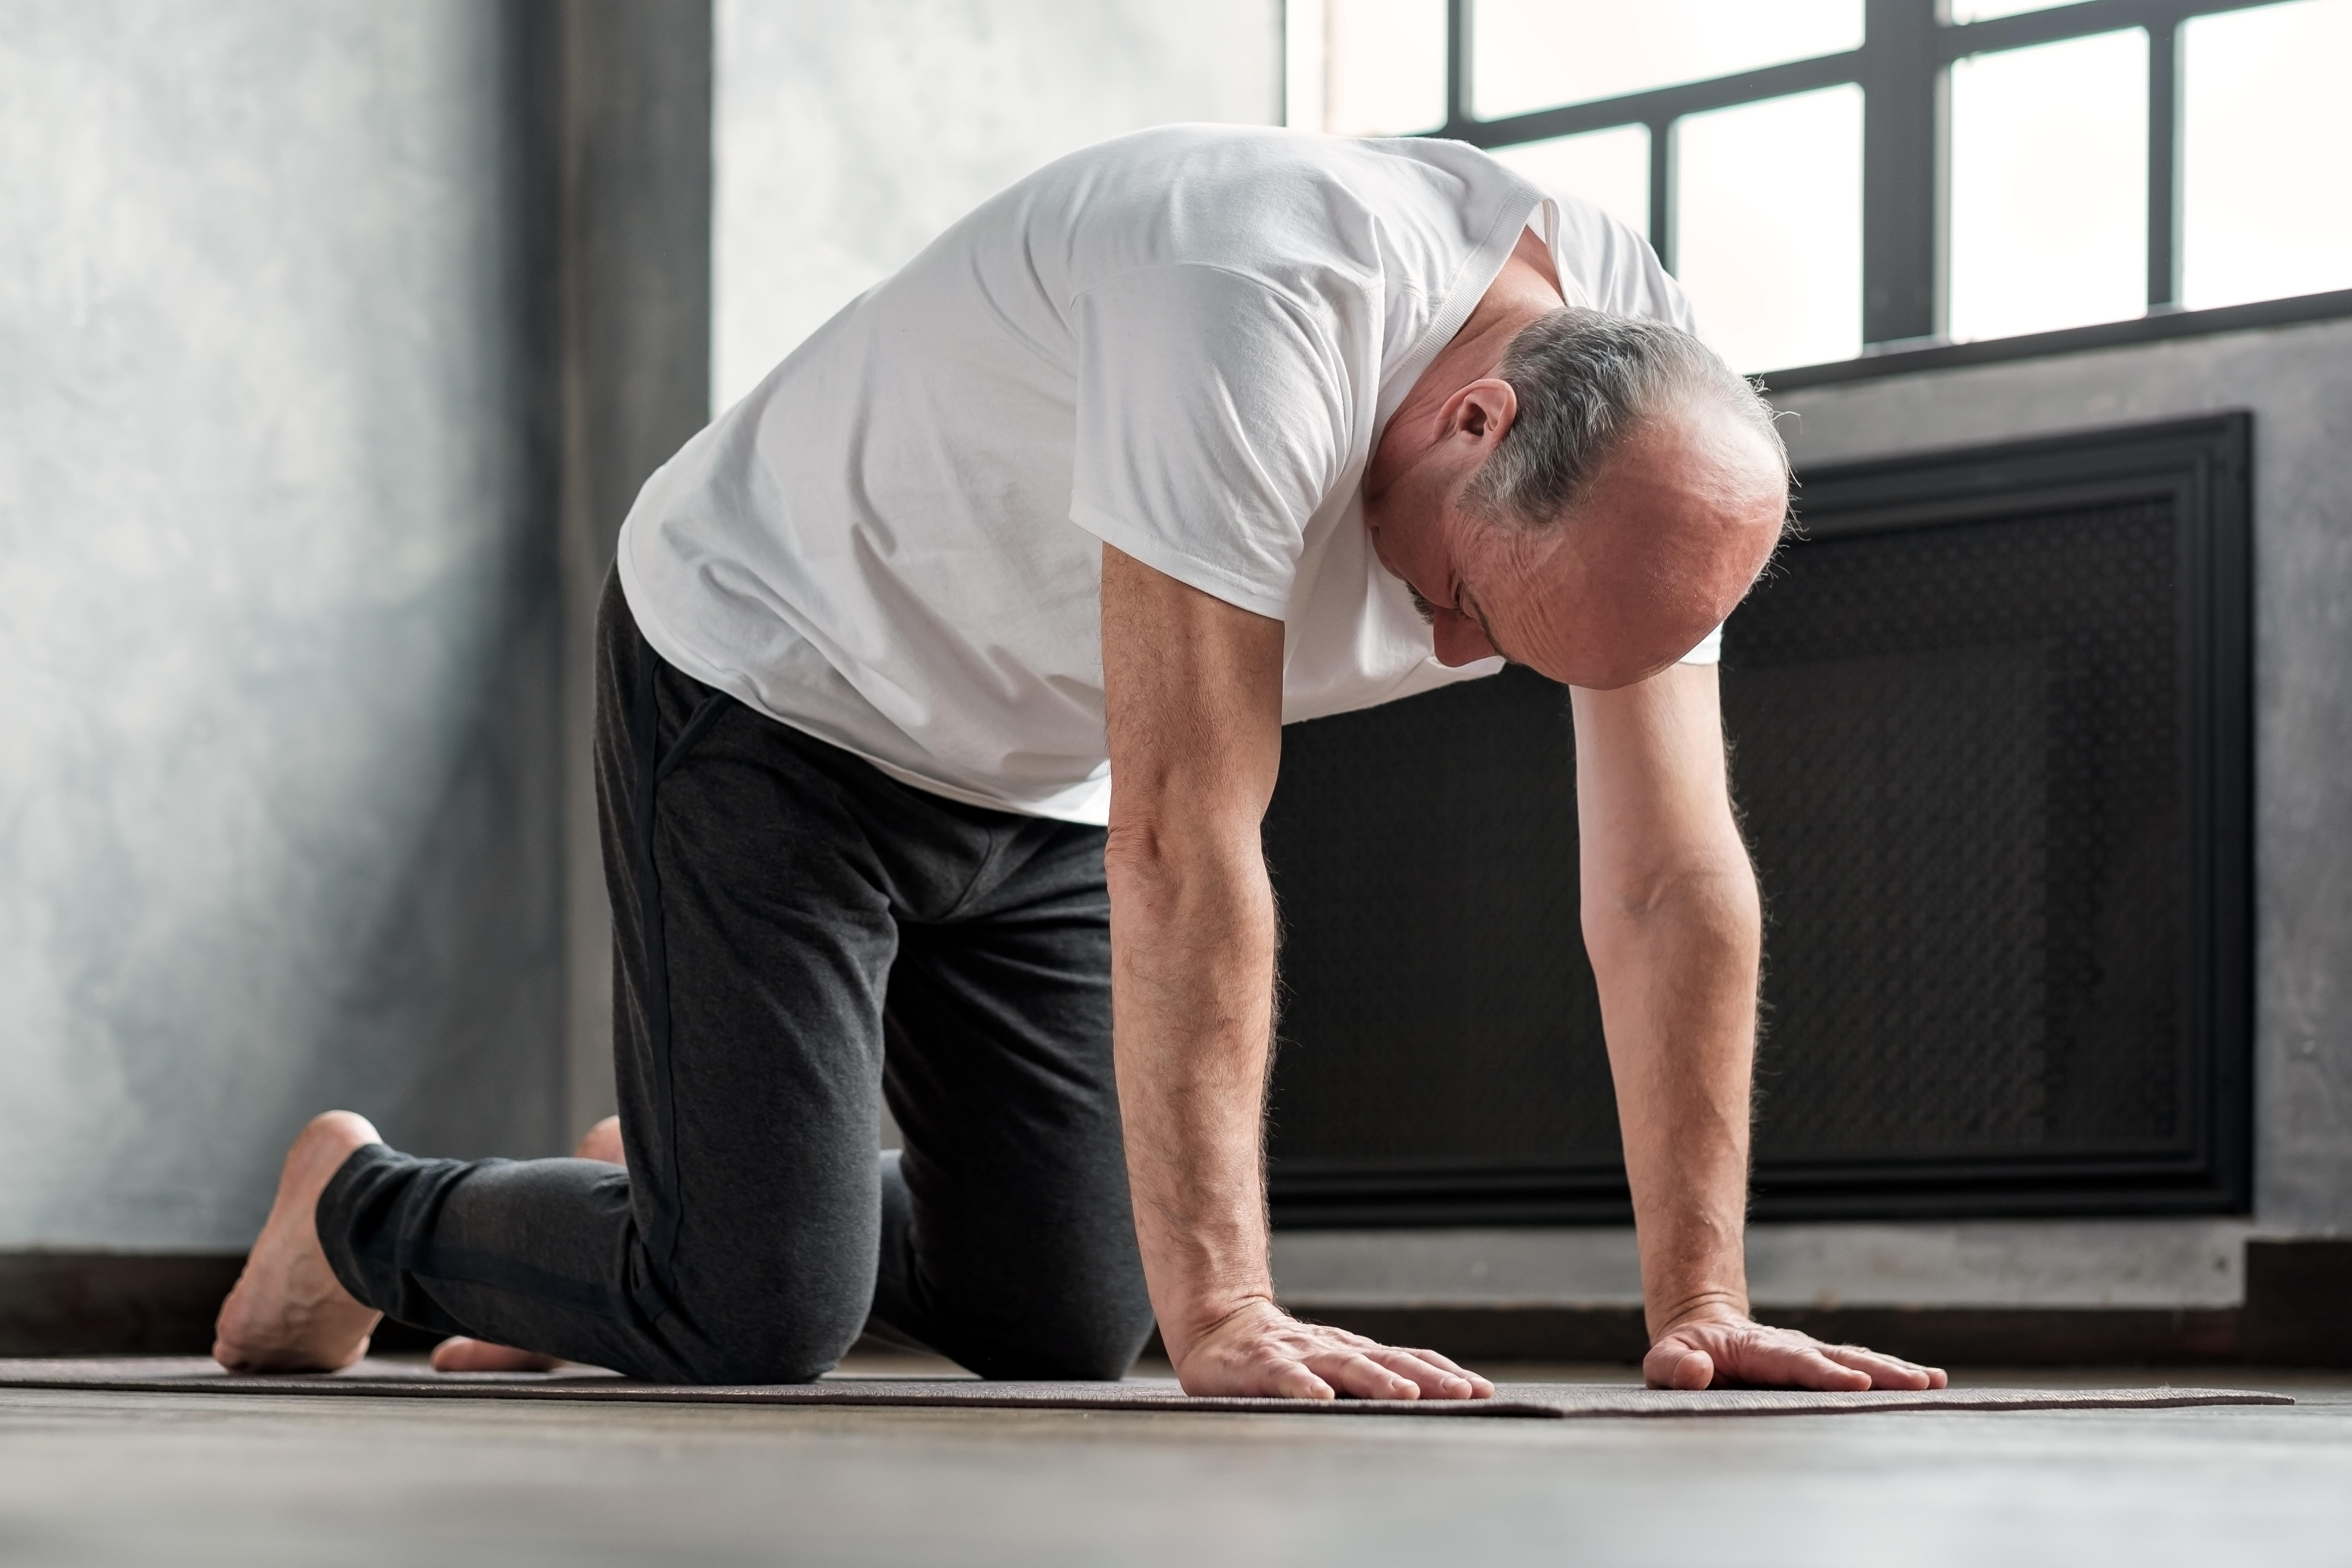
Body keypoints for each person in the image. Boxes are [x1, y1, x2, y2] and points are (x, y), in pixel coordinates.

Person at [214, 125, 1945, 1400]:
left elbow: (1663, 874)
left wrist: (1700, 1304)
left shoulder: (1652, 429)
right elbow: (1191, 839)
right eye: (1470, 608)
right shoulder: (1257, 301)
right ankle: (362, 1206)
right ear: (1467, 417)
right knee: (750, 1323)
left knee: (1051, 1316)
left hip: (1032, 770)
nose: (1443, 656)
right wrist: (1233, 1315)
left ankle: (677, 1191)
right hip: (776, 683)